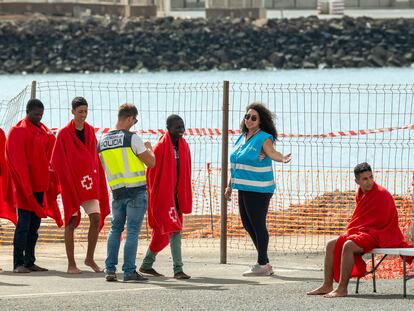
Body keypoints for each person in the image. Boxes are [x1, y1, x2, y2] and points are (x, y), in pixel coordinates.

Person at [307, 162, 413, 298]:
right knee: (330, 244)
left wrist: (363, 231)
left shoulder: (382, 194)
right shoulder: (360, 193)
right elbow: (362, 217)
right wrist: (358, 231)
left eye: (371, 177)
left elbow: (385, 222)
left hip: (381, 233)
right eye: (365, 179)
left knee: (349, 246)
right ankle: (327, 284)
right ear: (357, 181)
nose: (369, 182)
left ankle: (342, 289)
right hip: (365, 232)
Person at [224, 103, 291, 276]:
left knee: (258, 224)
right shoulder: (243, 137)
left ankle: (262, 263)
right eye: (247, 116)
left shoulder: (264, 137)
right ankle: (265, 263)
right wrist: (230, 186)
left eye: (254, 117)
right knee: (248, 224)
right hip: (244, 187)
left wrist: (282, 158)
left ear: (261, 121)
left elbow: (272, 152)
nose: (249, 120)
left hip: (260, 189)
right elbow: (237, 164)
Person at [51, 97, 110, 274]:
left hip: (89, 184)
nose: (83, 115)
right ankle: (71, 264)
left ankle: (89, 258)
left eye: (85, 111)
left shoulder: (91, 131)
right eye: (80, 112)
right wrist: (67, 180)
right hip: (71, 185)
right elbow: (57, 160)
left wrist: (99, 180)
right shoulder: (63, 133)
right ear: (72, 112)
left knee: (96, 218)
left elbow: (93, 157)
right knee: (70, 221)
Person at [98, 103, 155, 282]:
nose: (134, 123)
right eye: (135, 120)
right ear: (130, 118)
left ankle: (110, 269)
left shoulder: (102, 141)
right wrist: (149, 148)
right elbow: (151, 163)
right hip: (136, 190)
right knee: (132, 231)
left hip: (117, 191)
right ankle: (129, 271)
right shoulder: (132, 138)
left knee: (115, 229)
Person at [6, 99, 62, 273]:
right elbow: (16, 162)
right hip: (24, 188)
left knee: (34, 226)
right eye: (36, 114)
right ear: (27, 111)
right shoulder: (17, 132)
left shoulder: (44, 132)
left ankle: (30, 261)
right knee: (23, 225)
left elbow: (49, 157)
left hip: (39, 186)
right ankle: (18, 263)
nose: (39, 117)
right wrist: (24, 186)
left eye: (41, 115)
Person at [139, 115, 192, 280]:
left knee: (163, 234)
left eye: (182, 126)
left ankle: (147, 264)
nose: (181, 130)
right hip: (163, 197)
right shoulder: (160, 147)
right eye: (177, 127)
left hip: (176, 197)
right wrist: (158, 194)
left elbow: (185, 172)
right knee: (174, 230)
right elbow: (151, 173)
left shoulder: (184, 146)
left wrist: (181, 194)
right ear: (168, 128)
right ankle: (178, 269)